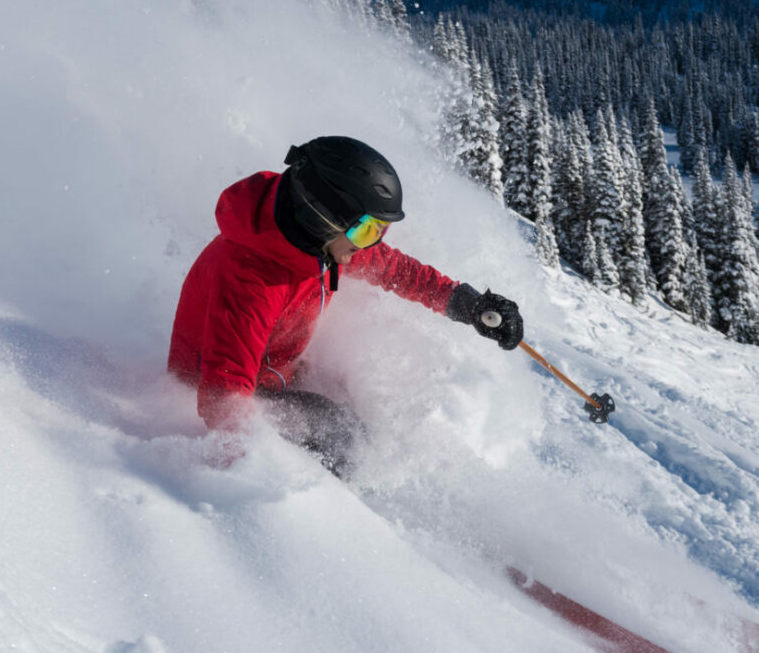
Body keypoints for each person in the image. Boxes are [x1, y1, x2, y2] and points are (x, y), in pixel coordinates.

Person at [168, 136, 523, 476]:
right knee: (340, 432)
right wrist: (255, 472)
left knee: (352, 405)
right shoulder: (252, 281)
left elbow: (399, 271)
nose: (372, 244)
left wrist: (469, 304)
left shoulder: (323, 246)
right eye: (368, 231)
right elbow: (223, 396)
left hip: (278, 368)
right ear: (321, 216)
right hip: (219, 389)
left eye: (380, 231)